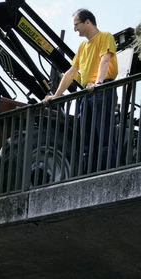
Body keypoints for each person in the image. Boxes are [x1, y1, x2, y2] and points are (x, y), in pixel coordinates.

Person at [42, 8, 118, 173]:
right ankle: (89, 174)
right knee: (86, 139)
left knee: (104, 135)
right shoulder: (83, 47)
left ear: (88, 22)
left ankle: (108, 173)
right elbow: (71, 72)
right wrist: (55, 96)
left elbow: (105, 60)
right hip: (86, 93)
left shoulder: (105, 37)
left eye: (76, 24)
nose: (74, 29)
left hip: (102, 90)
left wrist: (98, 83)